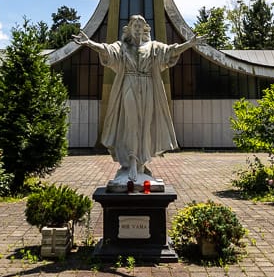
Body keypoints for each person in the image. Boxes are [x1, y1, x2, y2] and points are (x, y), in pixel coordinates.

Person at [74, 15, 203, 188]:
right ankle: (132, 162)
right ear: (129, 28)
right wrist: (89, 43)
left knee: (146, 124)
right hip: (129, 84)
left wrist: (189, 44)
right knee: (132, 124)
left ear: (145, 29)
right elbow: (106, 50)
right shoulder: (122, 46)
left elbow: (171, 51)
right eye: (134, 24)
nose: (137, 27)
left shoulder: (153, 47)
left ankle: (142, 164)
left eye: (140, 25)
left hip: (148, 86)